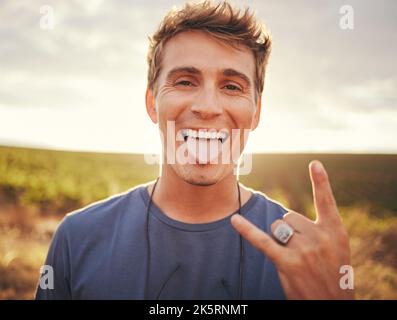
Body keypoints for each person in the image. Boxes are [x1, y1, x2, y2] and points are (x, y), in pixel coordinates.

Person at [35, 1, 353, 300]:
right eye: (186, 81)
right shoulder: (76, 239)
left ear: (256, 112)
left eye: (232, 86)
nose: (207, 107)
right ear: (152, 103)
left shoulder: (302, 257)